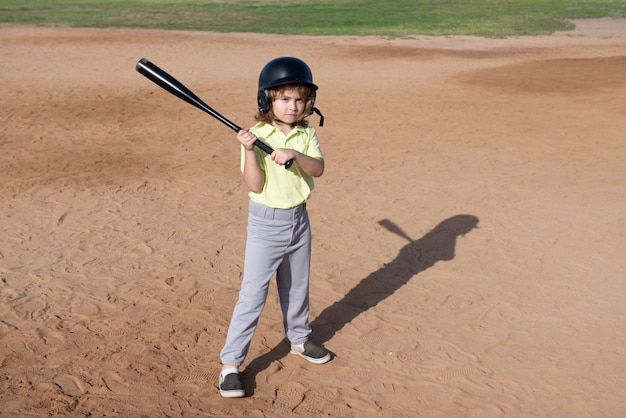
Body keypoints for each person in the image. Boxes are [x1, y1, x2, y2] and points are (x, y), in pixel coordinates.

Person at [219, 56, 329, 398]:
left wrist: (293, 153)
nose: (292, 106)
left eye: (299, 99)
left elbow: (318, 169)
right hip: (266, 225)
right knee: (252, 294)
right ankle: (230, 365)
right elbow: (254, 185)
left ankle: (298, 339)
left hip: (299, 220)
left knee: (297, 288)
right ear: (267, 99)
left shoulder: (306, 134)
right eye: (284, 98)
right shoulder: (258, 134)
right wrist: (250, 151)